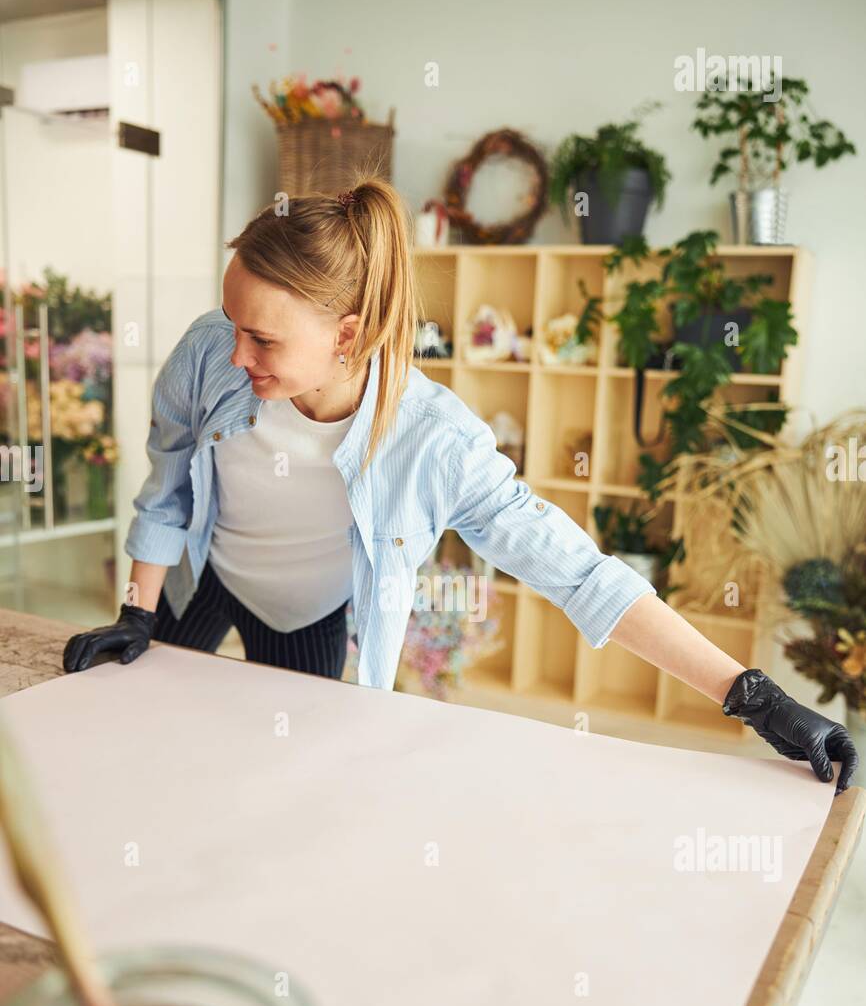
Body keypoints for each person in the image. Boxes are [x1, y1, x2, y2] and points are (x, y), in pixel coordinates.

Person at [63, 174, 859, 795]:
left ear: (349, 333)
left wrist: (754, 694)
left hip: (307, 609)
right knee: (150, 743)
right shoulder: (212, 351)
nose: (235, 354)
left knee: (282, 775)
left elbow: (578, 573)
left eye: (261, 337)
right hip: (202, 575)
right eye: (231, 324)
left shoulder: (433, 441)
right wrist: (138, 609)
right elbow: (168, 473)